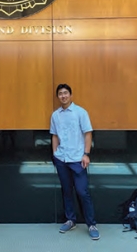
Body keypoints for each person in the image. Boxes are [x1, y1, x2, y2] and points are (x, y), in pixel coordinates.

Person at [50, 83, 100, 240]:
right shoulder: (55, 115)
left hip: (78, 159)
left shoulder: (80, 112)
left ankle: (91, 224)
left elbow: (88, 133)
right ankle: (70, 220)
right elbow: (54, 135)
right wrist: (55, 154)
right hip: (62, 158)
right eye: (60, 94)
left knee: (82, 191)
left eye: (65, 93)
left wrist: (86, 154)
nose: (63, 96)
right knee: (66, 191)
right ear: (58, 96)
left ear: (70, 95)